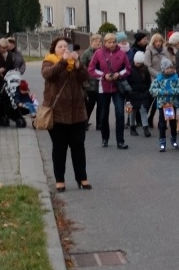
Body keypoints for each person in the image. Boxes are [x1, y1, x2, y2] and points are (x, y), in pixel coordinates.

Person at [42, 37, 91, 192]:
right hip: (57, 113)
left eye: (66, 46)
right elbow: (49, 75)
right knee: (59, 148)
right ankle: (60, 180)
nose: (64, 49)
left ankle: (82, 177)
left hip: (77, 113)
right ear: (54, 49)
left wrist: (77, 64)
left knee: (78, 147)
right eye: (60, 46)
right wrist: (63, 62)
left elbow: (85, 78)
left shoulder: (75, 64)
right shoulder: (49, 61)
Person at [88, 32, 131, 149]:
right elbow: (91, 69)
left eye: (113, 42)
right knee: (103, 114)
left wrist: (119, 74)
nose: (112, 44)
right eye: (109, 42)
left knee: (120, 114)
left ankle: (120, 141)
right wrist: (103, 76)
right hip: (103, 87)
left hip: (117, 87)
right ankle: (105, 138)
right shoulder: (98, 53)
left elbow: (128, 69)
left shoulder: (121, 54)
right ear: (105, 43)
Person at [150, 57, 179, 152]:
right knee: (162, 124)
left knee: (172, 123)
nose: (169, 70)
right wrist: (161, 92)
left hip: (172, 104)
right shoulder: (159, 79)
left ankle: (174, 139)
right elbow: (152, 90)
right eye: (167, 68)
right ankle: (162, 142)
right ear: (163, 69)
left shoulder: (176, 78)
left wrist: (171, 92)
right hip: (162, 105)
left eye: (171, 68)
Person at [144, 32, 172, 135]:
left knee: (165, 100)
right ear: (153, 42)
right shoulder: (149, 51)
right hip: (154, 78)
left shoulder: (165, 51)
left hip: (166, 77)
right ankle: (147, 119)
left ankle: (164, 121)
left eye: (160, 41)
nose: (159, 43)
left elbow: (170, 62)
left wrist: (167, 73)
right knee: (153, 99)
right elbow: (148, 66)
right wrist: (158, 75)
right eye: (156, 41)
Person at [80, 34, 102, 130]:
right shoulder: (86, 53)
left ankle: (99, 124)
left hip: (101, 82)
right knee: (90, 103)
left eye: (99, 41)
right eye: (96, 41)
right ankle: (85, 122)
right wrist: (85, 83)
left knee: (101, 104)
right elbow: (81, 68)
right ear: (91, 42)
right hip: (90, 83)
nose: (98, 43)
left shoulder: (102, 53)